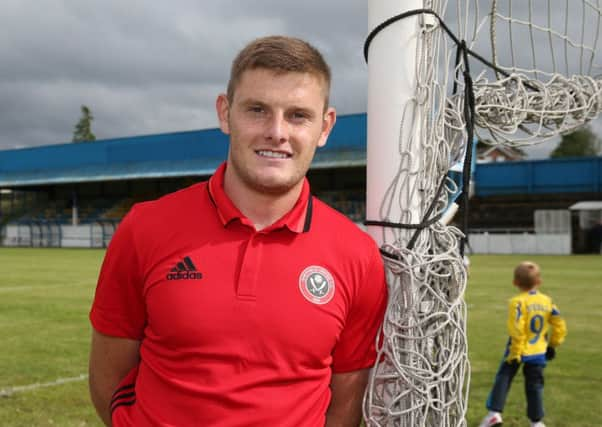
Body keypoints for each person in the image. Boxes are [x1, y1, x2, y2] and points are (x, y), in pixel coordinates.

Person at [88, 35, 388, 427]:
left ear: (325, 126)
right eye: (257, 110)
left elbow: (347, 397)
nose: (276, 132)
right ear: (225, 113)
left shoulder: (357, 255)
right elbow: (109, 375)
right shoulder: (145, 228)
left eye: (298, 115)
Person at [478, 261, 567, 427]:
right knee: (535, 386)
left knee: (504, 377)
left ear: (515, 282)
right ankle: (537, 422)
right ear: (539, 282)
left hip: (518, 348)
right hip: (539, 350)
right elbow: (559, 324)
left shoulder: (517, 302)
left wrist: (516, 351)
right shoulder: (547, 301)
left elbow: (517, 328)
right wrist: (553, 344)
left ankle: (494, 413)